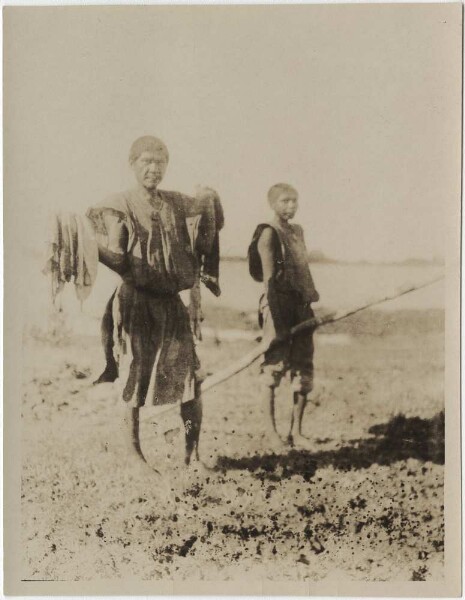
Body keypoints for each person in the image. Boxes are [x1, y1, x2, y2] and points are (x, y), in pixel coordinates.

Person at [86, 136, 222, 471]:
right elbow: (117, 257)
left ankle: (192, 457)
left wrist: (209, 198)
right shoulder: (121, 204)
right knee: (135, 377)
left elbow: (208, 222)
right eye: (146, 161)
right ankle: (135, 457)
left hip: (172, 305)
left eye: (159, 162)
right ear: (132, 164)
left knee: (190, 381)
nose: (153, 168)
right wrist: (85, 245)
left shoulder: (176, 202)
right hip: (137, 302)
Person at [248, 183, 320, 452]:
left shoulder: (297, 231)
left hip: (300, 307)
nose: (291, 206)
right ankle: (272, 434)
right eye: (284, 201)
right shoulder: (268, 233)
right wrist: (277, 325)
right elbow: (269, 283)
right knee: (273, 369)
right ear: (273, 204)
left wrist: (311, 295)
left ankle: (297, 432)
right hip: (277, 307)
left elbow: (304, 267)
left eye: (294, 201)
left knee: (303, 368)